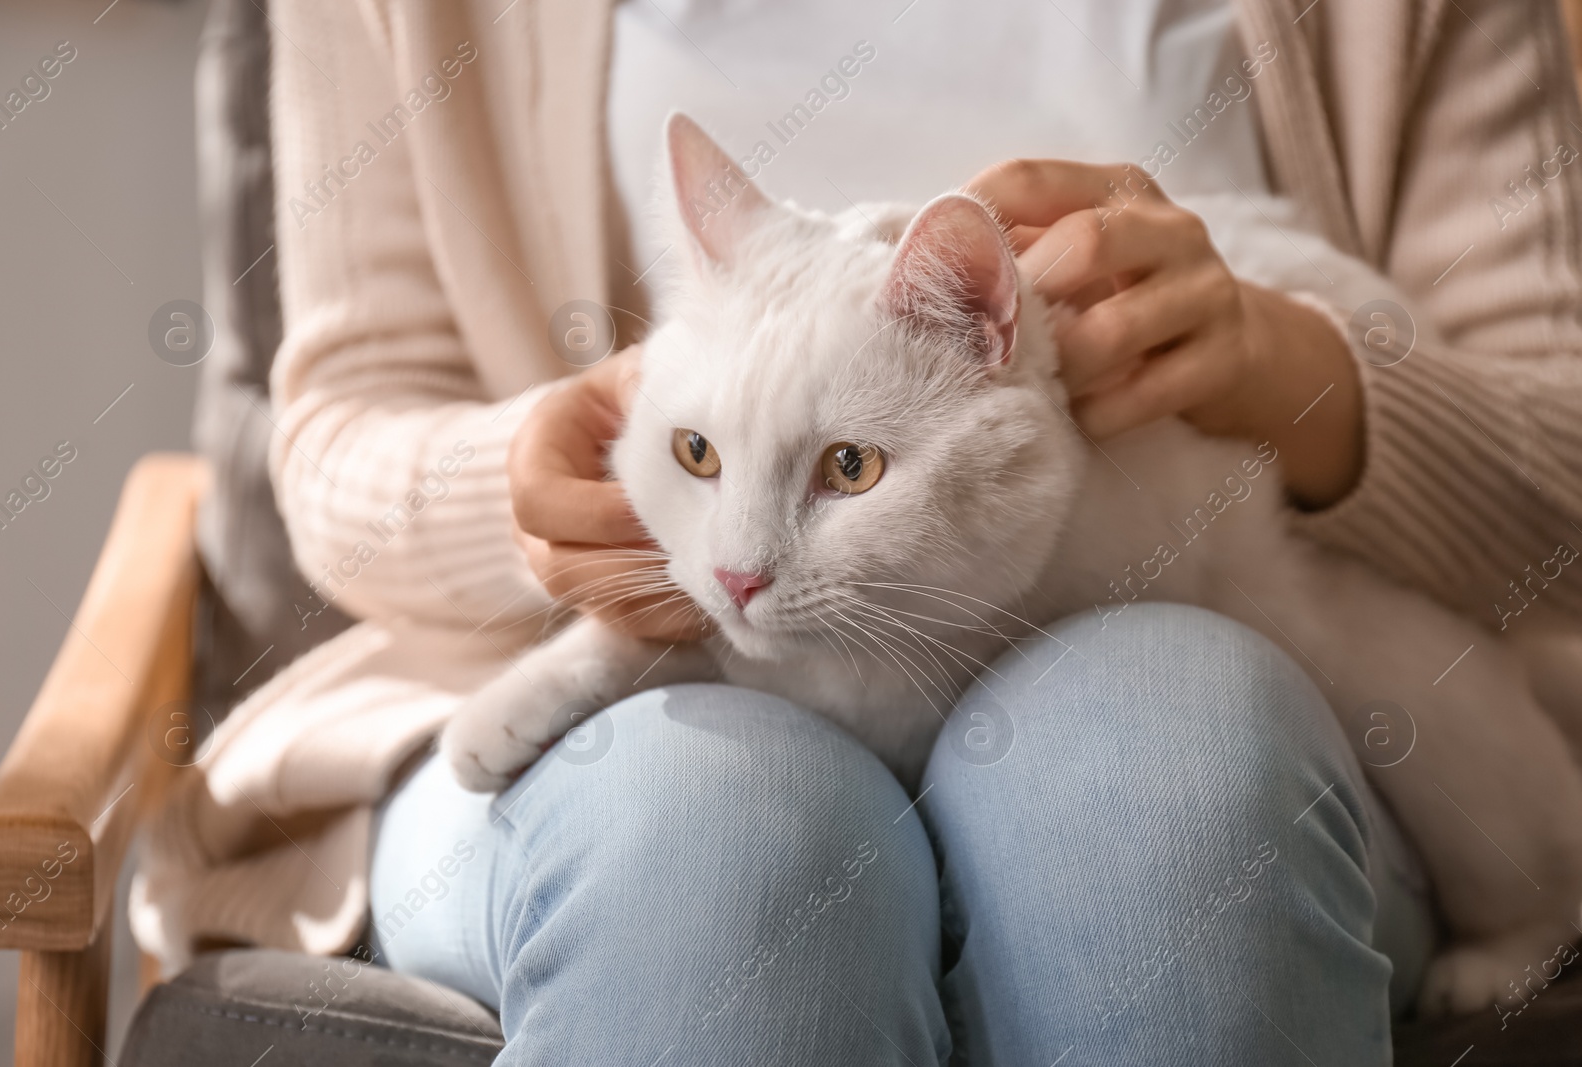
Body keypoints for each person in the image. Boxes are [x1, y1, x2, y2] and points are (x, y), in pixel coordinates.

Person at [130, 1, 1582, 1064]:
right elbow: (331, 435)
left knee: (1162, 763)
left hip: (1245, 653)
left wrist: (1298, 381)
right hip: (577, 688)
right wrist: (538, 494)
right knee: (705, 841)